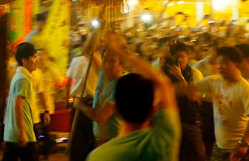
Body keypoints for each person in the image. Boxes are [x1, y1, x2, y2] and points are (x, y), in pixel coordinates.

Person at [87, 32, 181, 161]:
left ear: (116, 108)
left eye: (112, 61)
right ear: (153, 110)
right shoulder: (164, 140)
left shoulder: (99, 156)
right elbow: (163, 84)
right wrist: (121, 52)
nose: (107, 64)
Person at [187, 46, 249, 161]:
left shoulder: (245, 89)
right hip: (220, 146)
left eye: (224, 63)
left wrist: (243, 143)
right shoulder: (213, 81)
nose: (220, 67)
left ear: (237, 64)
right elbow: (190, 88)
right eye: (218, 63)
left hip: (241, 147)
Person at [164, 42, 205, 161]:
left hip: (190, 123)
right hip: (171, 123)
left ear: (188, 56)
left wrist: (180, 77)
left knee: (196, 156)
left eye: (182, 56)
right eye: (175, 56)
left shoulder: (195, 74)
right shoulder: (165, 74)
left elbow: (195, 97)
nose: (179, 59)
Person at [75, 49, 123, 146]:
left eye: (112, 61)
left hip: (113, 141)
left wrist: (79, 105)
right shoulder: (103, 74)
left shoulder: (120, 86)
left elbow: (100, 117)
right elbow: (88, 50)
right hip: (99, 140)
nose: (106, 65)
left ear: (122, 66)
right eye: (104, 60)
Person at [66, 36, 100, 161]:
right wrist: (68, 98)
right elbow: (69, 79)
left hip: (91, 104)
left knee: (91, 138)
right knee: (76, 139)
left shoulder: (98, 61)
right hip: (77, 102)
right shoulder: (76, 61)